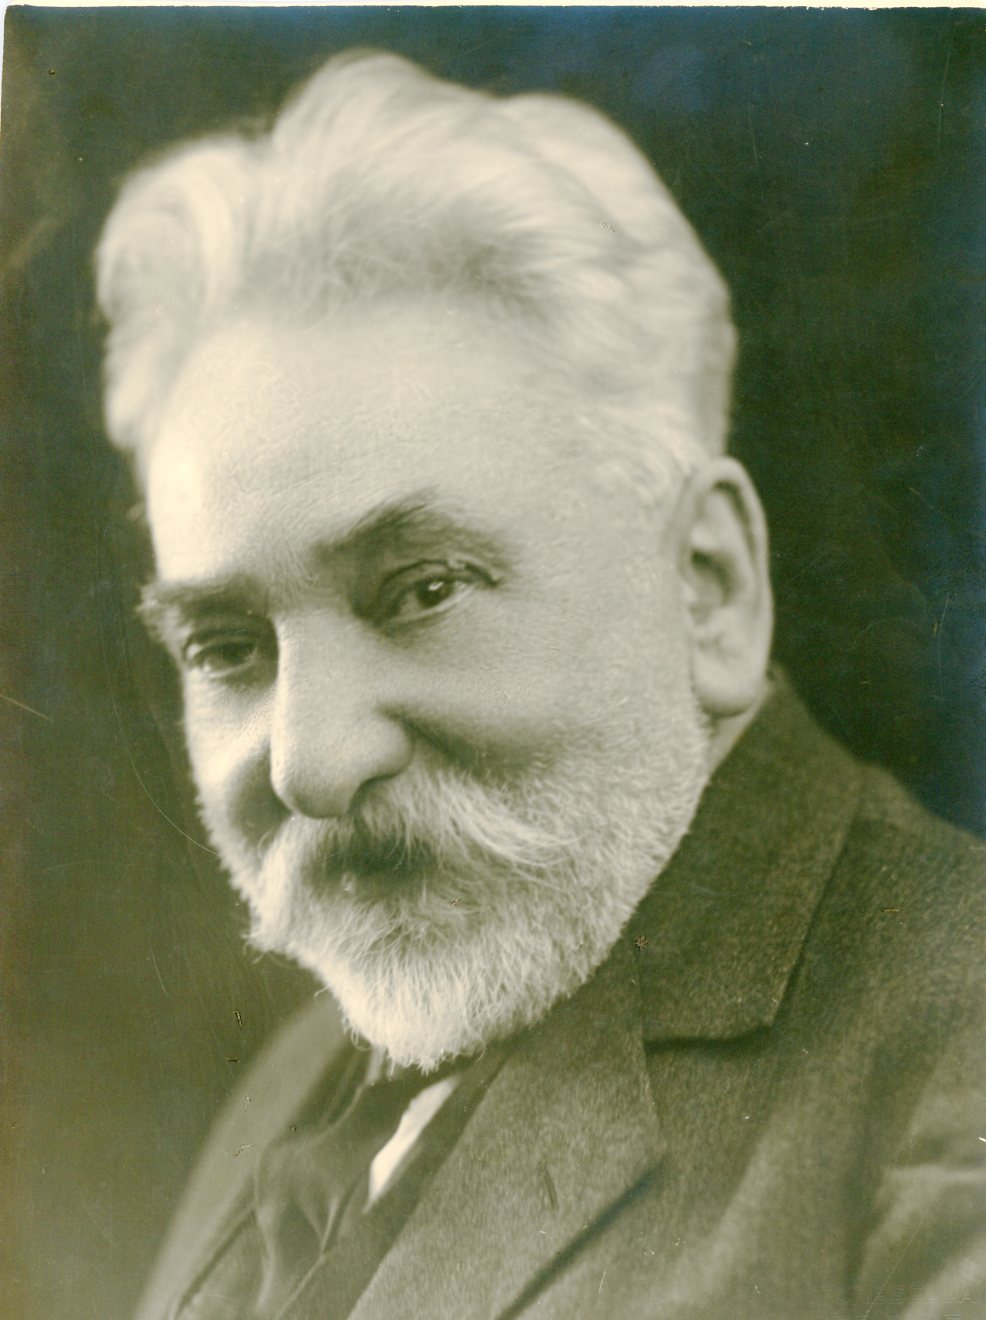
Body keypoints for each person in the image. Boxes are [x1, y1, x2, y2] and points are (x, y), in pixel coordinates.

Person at [95, 50, 984, 1320]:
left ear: (706, 587)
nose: (309, 764)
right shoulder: (297, 1080)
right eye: (228, 647)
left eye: (421, 590)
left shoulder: (951, 1053)